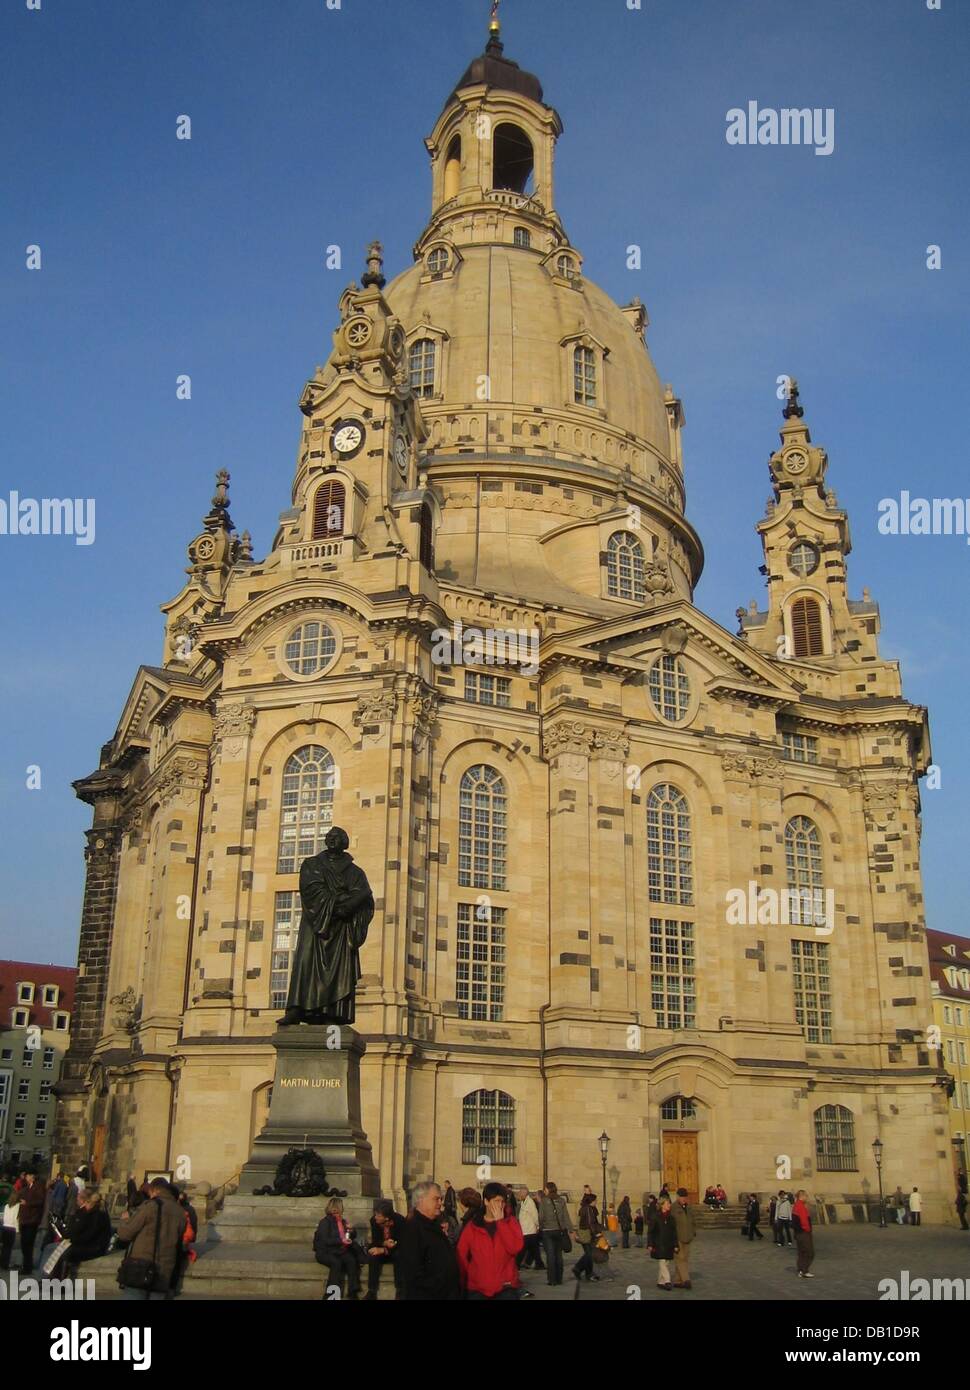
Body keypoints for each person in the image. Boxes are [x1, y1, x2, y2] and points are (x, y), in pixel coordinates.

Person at [116, 1177, 187, 1300]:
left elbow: (125, 1234)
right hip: (164, 1271)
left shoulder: (150, 1206)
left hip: (141, 1266)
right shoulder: (181, 1213)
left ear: (154, 1191)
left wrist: (125, 1221)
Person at [457, 1183, 525, 1300]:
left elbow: (515, 1248)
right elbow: (461, 1255)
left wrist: (500, 1223)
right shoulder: (473, 1226)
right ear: (486, 1202)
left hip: (505, 1286)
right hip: (478, 1288)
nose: (500, 1205)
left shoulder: (511, 1222)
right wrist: (470, 1277)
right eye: (496, 1201)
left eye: (503, 1202)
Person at [397, 1182, 461, 1300]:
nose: (440, 1203)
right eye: (436, 1199)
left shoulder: (433, 1224)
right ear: (421, 1199)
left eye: (441, 1199)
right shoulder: (413, 1229)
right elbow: (413, 1272)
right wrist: (440, 1285)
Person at [313, 1197, 363, 1300]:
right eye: (336, 1208)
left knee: (351, 1260)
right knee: (336, 1263)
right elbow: (325, 1241)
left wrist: (351, 1230)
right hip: (325, 1252)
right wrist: (341, 1241)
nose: (337, 1211)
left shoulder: (342, 1221)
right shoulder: (325, 1222)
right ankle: (331, 1295)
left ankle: (352, 1291)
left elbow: (350, 1237)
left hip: (338, 1250)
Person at [61, 1187, 113, 1279]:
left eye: (87, 1202)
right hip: (88, 1244)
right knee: (61, 1248)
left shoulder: (99, 1215)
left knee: (68, 1251)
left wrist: (73, 1240)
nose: (85, 1205)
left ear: (91, 1203)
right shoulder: (89, 1213)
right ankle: (51, 1279)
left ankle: (62, 1281)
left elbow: (90, 1234)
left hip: (96, 1247)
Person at [363, 1199, 405, 1300]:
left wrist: (385, 1250)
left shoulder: (400, 1221)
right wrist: (383, 1243)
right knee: (373, 1256)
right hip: (382, 1246)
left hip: (396, 1249)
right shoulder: (374, 1220)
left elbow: (404, 1243)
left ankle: (400, 1290)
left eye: (378, 1215)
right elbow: (375, 1240)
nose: (375, 1217)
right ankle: (372, 1291)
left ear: (386, 1218)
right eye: (375, 1214)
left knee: (399, 1255)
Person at [537, 1181, 574, 1287]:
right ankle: (559, 1278)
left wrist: (541, 1226)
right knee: (558, 1255)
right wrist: (571, 1230)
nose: (544, 1191)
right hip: (560, 1231)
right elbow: (566, 1216)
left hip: (548, 1231)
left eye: (545, 1189)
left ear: (548, 1190)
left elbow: (541, 1216)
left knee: (550, 1256)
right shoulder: (561, 1200)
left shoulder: (544, 1201)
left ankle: (552, 1280)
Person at [17, 1169, 47, 1275]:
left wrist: (27, 1203)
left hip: (32, 1220)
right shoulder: (27, 1187)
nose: (25, 1178)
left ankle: (27, 1267)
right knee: (24, 1244)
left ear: (31, 1176)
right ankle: (25, 1265)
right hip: (25, 1220)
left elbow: (40, 1201)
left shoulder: (38, 1186)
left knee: (28, 1243)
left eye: (27, 1176)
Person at [648, 1195, 678, 1290]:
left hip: (668, 1244)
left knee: (666, 1262)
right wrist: (650, 1244)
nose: (669, 1205)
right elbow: (650, 1232)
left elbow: (674, 1232)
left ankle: (660, 1282)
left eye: (669, 1203)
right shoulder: (655, 1217)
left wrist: (676, 1245)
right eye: (667, 1203)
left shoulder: (671, 1218)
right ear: (662, 1205)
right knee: (662, 1262)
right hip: (658, 1244)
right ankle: (667, 1281)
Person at [572, 1193, 602, 1283]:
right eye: (595, 1200)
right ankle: (578, 1268)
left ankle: (588, 1273)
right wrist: (596, 1233)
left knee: (589, 1254)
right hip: (588, 1234)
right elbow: (590, 1223)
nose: (596, 1202)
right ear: (591, 1201)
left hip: (585, 1233)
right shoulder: (588, 1209)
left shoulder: (584, 1208)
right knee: (589, 1254)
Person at [671, 1187, 695, 1289]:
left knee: (684, 1258)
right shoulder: (673, 1208)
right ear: (677, 1197)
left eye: (685, 1197)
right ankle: (686, 1280)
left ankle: (677, 1280)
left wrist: (693, 1232)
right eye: (682, 1197)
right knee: (680, 1258)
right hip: (677, 1237)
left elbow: (693, 1221)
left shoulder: (689, 1207)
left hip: (688, 1237)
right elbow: (671, 1224)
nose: (684, 1199)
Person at [516, 1187, 544, 1270]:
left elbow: (535, 1215)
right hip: (525, 1229)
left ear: (524, 1194)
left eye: (520, 1193)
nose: (519, 1194)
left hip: (529, 1229)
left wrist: (538, 1226)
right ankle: (539, 1264)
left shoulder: (530, 1202)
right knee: (534, 1249)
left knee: (523, 1248)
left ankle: (516, 1264)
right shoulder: (523, 1202)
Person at [792, 1189, 815, 1279]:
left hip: (799, 1233)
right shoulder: (800, 1206)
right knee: (809, 1252)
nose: (807, 1197)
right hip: (803, 1233)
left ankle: (801, 1270)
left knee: (802, 1252)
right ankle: (804, 1270)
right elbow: (803, 1221)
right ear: (801, 1196)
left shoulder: (797, 1205)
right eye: (806, 1196)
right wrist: (807, 1230)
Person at [1, 1186, 19, 1270]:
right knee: (9, 1248)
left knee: (4, 1247)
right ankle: (5, 1265)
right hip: (12, 1228)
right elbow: (15, 1218)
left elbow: (4, 1217)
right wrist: (18, 1230)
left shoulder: (6, 1206)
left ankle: (2, 1263)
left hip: (5, 1227)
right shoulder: (18, 1206)